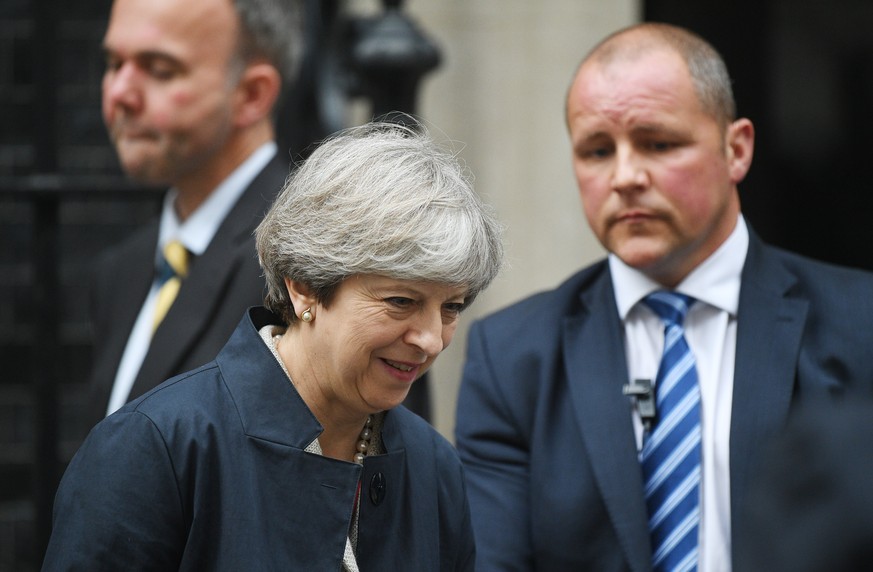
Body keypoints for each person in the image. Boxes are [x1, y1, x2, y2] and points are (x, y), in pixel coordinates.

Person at [454, 21, 873, 572]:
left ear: (737, 149)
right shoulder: (512, 357)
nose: (625, 176)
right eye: (597, 151)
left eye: (658, 143)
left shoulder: (860, 321)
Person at [43, 121, 504, 570]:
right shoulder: (156, 447)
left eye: (451, 308)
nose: (429, 339)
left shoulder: (433, 466)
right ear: (305, 285)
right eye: (401, 301)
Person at [85, 0, 305, 428]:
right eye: (114, 63)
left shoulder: (308, 267)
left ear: (253, 94)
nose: (119, 93)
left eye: (160, 69)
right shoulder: (124, 270)